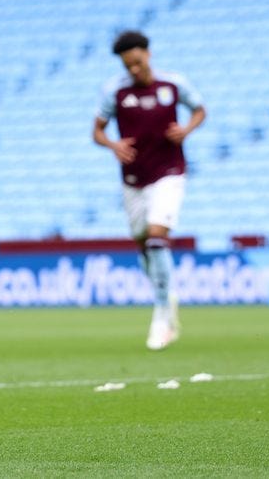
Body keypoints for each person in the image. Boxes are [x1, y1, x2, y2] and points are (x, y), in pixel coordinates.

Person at [92, 30, 206, 351]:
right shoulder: (114, 92)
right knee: (144, 242)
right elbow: (97, 132)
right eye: (128, 66)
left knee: (157, 235)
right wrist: (113, 145)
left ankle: (161, 313)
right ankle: (164, 292)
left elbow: (200, 110)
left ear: (148, 55)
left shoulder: (173, 84)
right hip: (133, 180)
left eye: (138, 63)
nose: (134, 70)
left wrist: (186, 129)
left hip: (169, 173)